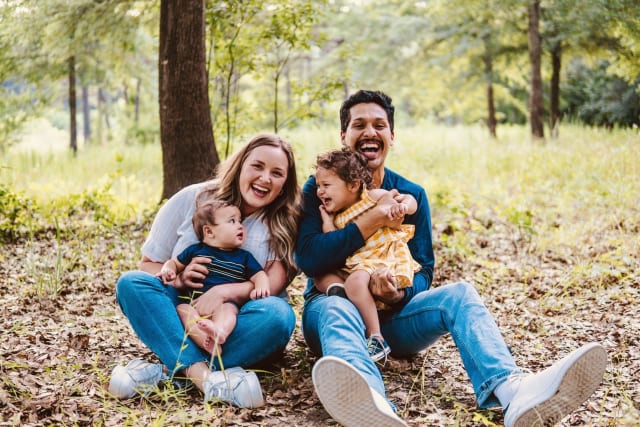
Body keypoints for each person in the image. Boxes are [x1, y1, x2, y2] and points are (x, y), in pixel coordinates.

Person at [295, 90, 607, 427]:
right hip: (333, 315)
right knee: (336, 304)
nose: (370, 132)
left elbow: (424, 269)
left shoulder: (409, 194)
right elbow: (309, 259)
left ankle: (511, 391)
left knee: (459, 294)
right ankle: (369, 404)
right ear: (344, 136)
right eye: (359, 125)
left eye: (379, 125)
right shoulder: (320, 188)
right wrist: (373, 219)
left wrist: (398, 293)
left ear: (391, 136)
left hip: (393, 319)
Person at [109, 133, 300, 408]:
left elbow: (271, 285)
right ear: (241, 165)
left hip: (236, 318)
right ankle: (207, 379)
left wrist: (225, 292)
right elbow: (149, 264)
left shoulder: (284, 223)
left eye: (277, 173)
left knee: (279, 315)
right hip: (183, 308)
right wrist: (180, 278)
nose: (265, 178)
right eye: (257, 166)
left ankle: (165, 371)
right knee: (131, 283)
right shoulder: (193, 198)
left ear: (284, 184)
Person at [312, 148, 420, 362]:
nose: (319, 192)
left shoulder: (373, 197)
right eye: (318, 186)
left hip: (381, 259)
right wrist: (326, 221)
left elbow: (409, 199)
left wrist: (404, 207)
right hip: (357, 263)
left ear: (353, 185)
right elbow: (332, 244)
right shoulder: (337, 215)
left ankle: (375, 336)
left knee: (355, 280)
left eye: (326, 186)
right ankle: (341, 294)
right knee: (319, 277)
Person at [158, 199, 271, 356]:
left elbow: (259, 275)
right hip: (195, 304)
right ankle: (204, 340)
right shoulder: (195, 251)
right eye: (232, 221)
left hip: (223, 304)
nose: (240, 226)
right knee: (182, 310)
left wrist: (261, 286)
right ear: (209, 232)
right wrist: (168, 270)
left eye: (240, 221)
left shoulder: (243, 257)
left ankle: (219, 331)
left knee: (229, 310)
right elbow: (174, 263)